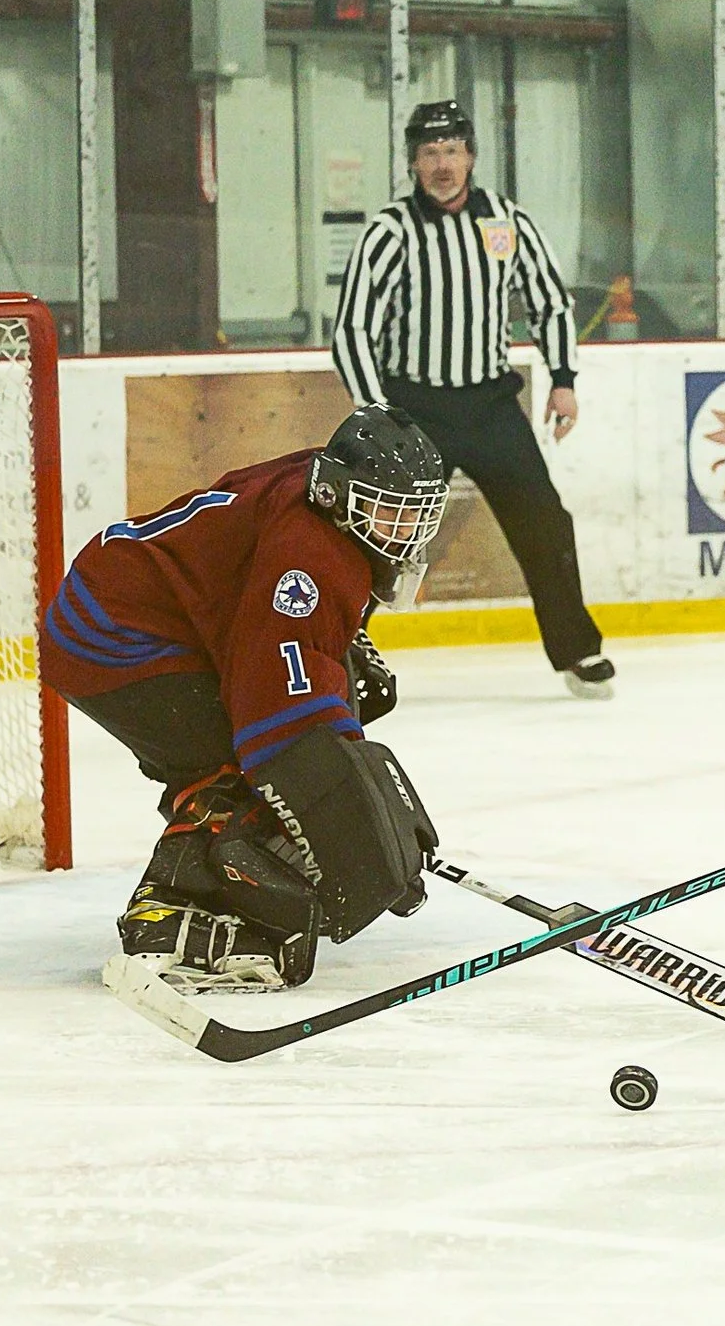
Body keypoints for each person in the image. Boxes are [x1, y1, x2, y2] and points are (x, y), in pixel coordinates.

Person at [41, 406, 448, 993]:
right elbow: (278, 718)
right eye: (388, 511)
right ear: (338, 493)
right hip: (112, 637)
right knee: (243, 763)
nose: (402, 530)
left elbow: (259, 599)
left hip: (150, 614)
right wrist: (357, 814)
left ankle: (203, 876)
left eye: (416, 514)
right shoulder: (308, 552)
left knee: (309, 722)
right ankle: (167, 910)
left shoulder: (325, 502)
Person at [332, 99, 615, 699]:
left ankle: (578, 651)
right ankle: (337, 658)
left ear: (472, 157)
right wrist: (376, 412)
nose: (443, 164)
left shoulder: (505, 223)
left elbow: (550, 302)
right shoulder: (391, 231)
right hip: (414, 413)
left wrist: (563, 379)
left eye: (453, 151)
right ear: (412, 162)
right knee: (374, 537)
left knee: (544, 522)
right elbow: (353, 326)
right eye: (430, 153)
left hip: (489, 408)